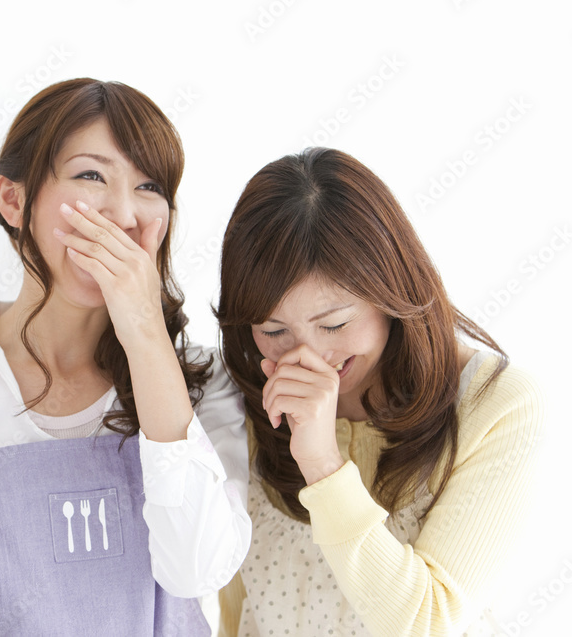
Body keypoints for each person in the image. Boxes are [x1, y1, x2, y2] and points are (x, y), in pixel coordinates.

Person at [0, 78, 252, 636]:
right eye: (91, 176)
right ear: (13, 200)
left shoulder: (203, 384)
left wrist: (146, 336)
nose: (123, 214)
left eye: (149, 186)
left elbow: (197, 569)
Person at [213, 148, 545, 636]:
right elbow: (233, 613)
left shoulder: (496, 405)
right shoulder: (240, 403)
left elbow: (428, 621)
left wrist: (322, 464)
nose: (308, 358)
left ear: (391, 289)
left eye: (334, 324)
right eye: (274, 330)